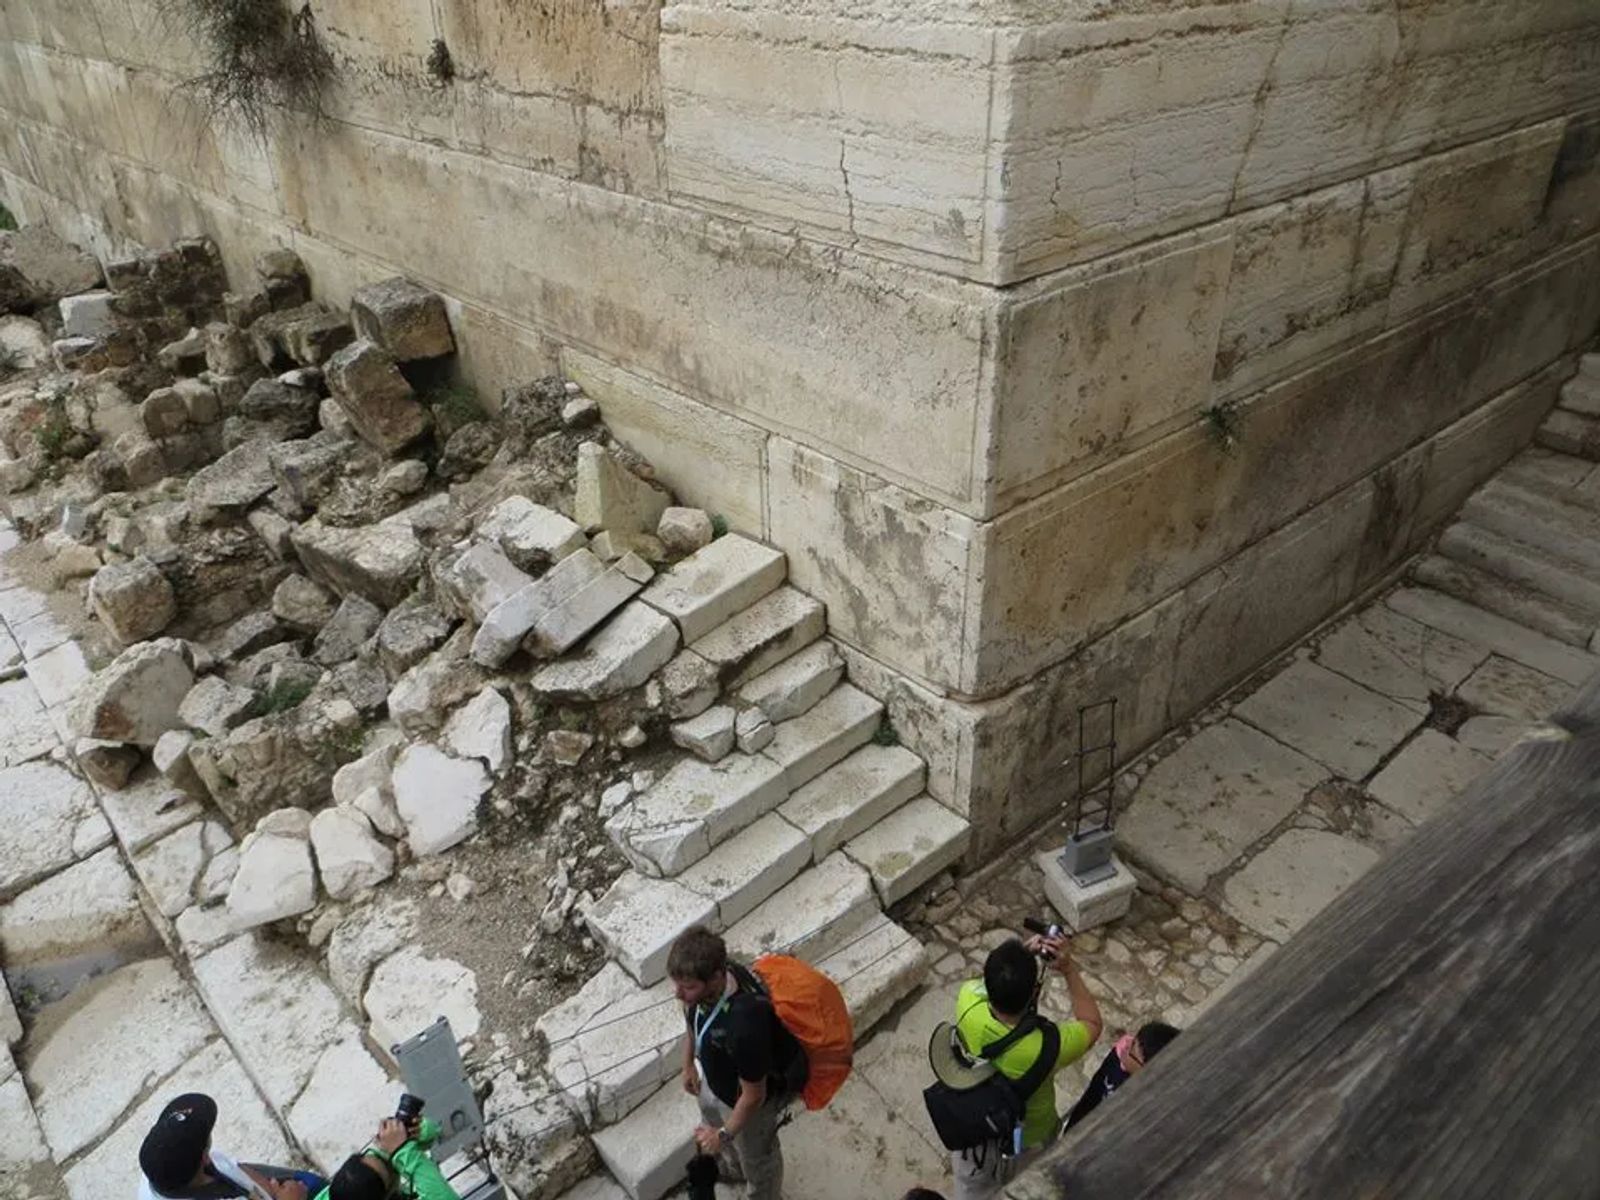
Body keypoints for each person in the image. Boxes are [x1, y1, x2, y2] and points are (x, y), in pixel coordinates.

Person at [948, 932, 1102, 1199]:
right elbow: (1092, 1023)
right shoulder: (1050, 1046)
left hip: (975, 1132)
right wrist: (1068, 969)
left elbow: (984, 984)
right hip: (1028, 1138)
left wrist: (1019, 954)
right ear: (1034, 992)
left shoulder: (967, 1002)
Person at [670, 925, 807, 1200]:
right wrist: (687, 1064)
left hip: (746, 1103)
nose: (678, 993)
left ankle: (763, 1194)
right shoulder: (705, 987)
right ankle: (732, 1167)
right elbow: (692, 1021)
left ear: (717, 977)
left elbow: (754, 1096)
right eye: (676, 984)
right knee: (715, 1120)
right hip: (715, 1080)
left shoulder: (745, 1027)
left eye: (688, 987)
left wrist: (722, 1135)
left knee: (758, 1160)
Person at [138, 1093, 325, 1200]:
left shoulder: (162, 1169)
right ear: (204, 1158)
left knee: (311, 1181)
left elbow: (232, 1166)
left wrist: (269, 1189)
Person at [1062, 1021, 1180, 1132]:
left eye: (1131, 1050)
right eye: (1133, 1040)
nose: (1126, 1047)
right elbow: (1095, 1089)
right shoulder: (1120, 1055)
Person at [315, 1116, 458, 1200]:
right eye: (388, 1169)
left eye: (375, 1155)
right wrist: (404, 1152)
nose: (391, 1162)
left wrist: (414, 1135)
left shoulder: (343, 1193)